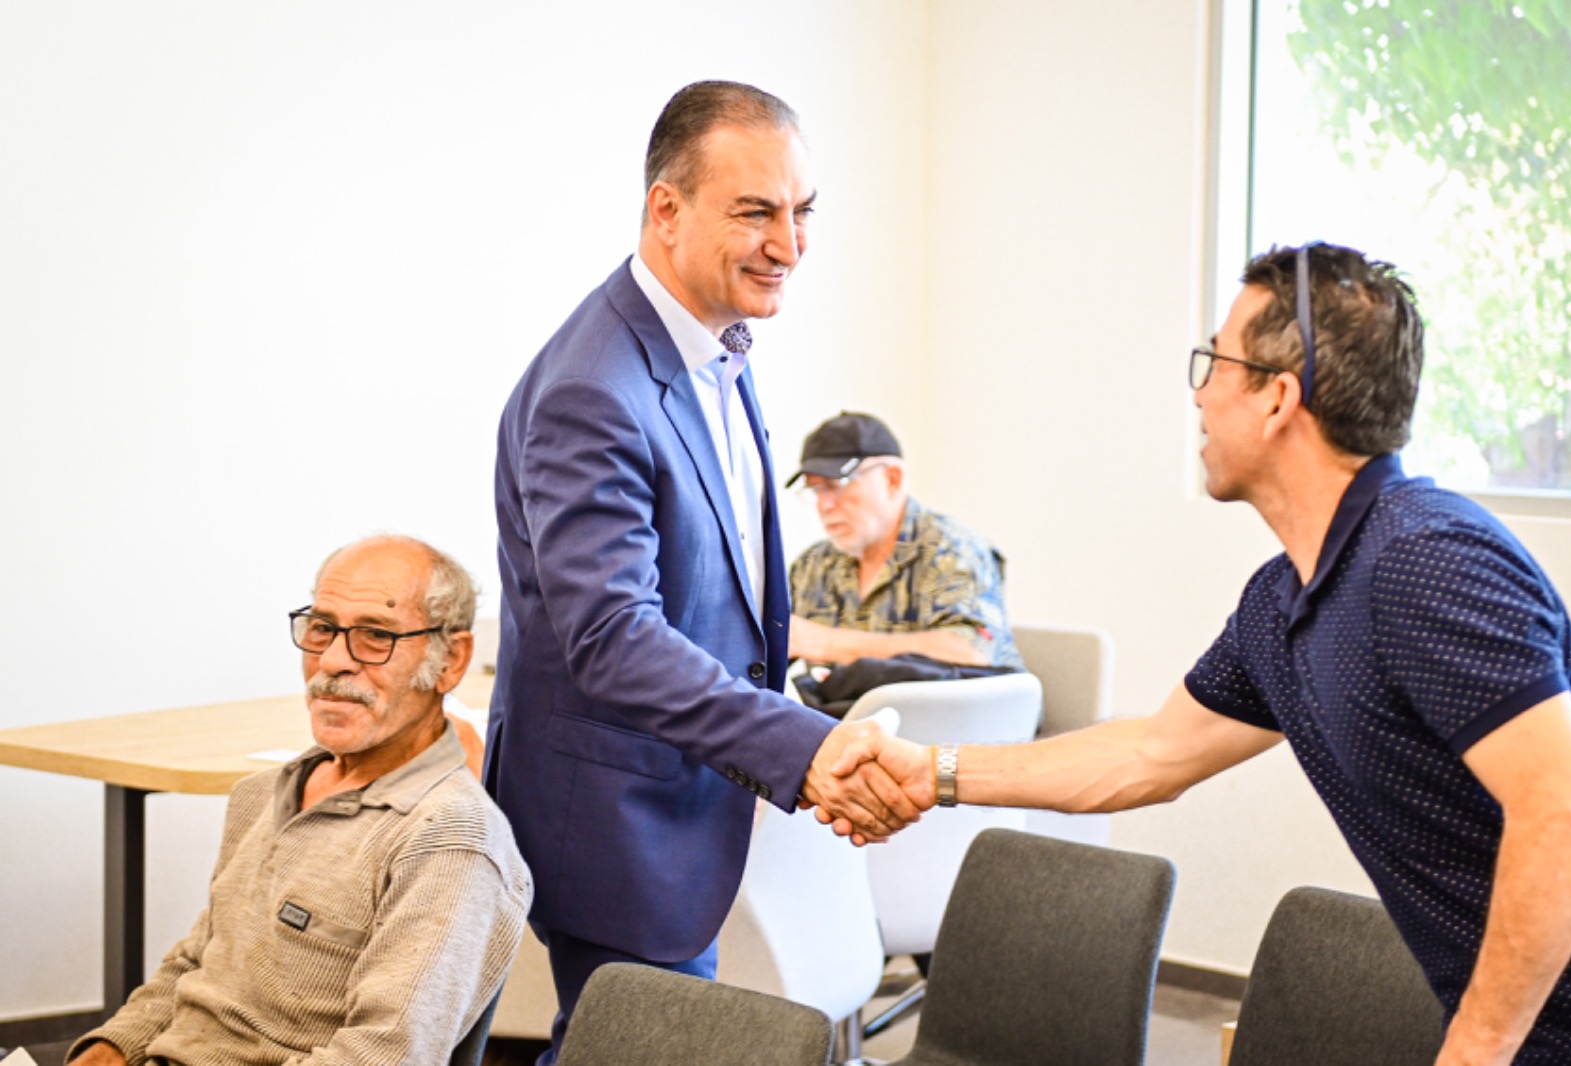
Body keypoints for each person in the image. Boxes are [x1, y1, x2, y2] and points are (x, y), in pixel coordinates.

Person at [829, 243, 1571, 1064]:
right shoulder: (1284, 601)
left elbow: (1564, 816)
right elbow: (1148, 755)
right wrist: (932, 772)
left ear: (1278, 398)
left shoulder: (1423, 560)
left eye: (1216, 363)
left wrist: (1476, 1050)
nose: (1198, 393)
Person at [485, 80, 917, 1063]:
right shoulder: (594, 388)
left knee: (633, 1045)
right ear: (666, 209)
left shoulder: (715, 344)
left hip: (685, 792)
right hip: (617, 811)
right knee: (641, 1048)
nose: (788, 245)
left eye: (803, 212)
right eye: (756, 211)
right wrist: (802, 746)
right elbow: (612, 637)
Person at [68, 535, 532, 1065]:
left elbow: (380, 1056)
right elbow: (195, 966)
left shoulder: (449, 840)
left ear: (450, 660)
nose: (332, 661)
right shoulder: (262, 794)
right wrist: (108, 1049)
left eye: (375, 636)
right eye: (322, 628)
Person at [786, 410, 1023, 670]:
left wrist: (826, 643)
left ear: (892, 479)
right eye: (816, 489)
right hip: (846, 699)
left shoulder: (953, 547)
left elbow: (972, 650)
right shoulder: (812, 566)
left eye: (837, 484)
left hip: (946, 699)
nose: (824, 504)